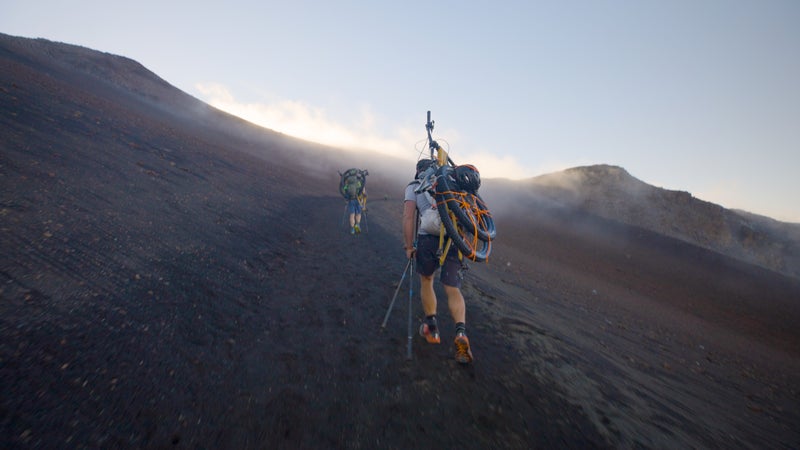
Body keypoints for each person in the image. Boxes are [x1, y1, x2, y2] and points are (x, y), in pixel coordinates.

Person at [403, 158, 473, 364]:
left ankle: (431, 329)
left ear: (418, 171)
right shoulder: (451, 183)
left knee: (427, 280)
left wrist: (408, 247)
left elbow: (408, 217)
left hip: (428, 238)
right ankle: (461, 333)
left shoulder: (415, 186)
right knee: (452, 288)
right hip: (454, 238)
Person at [343, 170, 366, 234]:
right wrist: (363, 204)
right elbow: (363, 193)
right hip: (358, 200)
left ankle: (352, 229)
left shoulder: (348, 181)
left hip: (351, 200)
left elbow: (344, 190)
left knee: (352, 214)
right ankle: (357, 225)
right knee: (358, 214)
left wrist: (346, 199)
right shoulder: (359, 181)